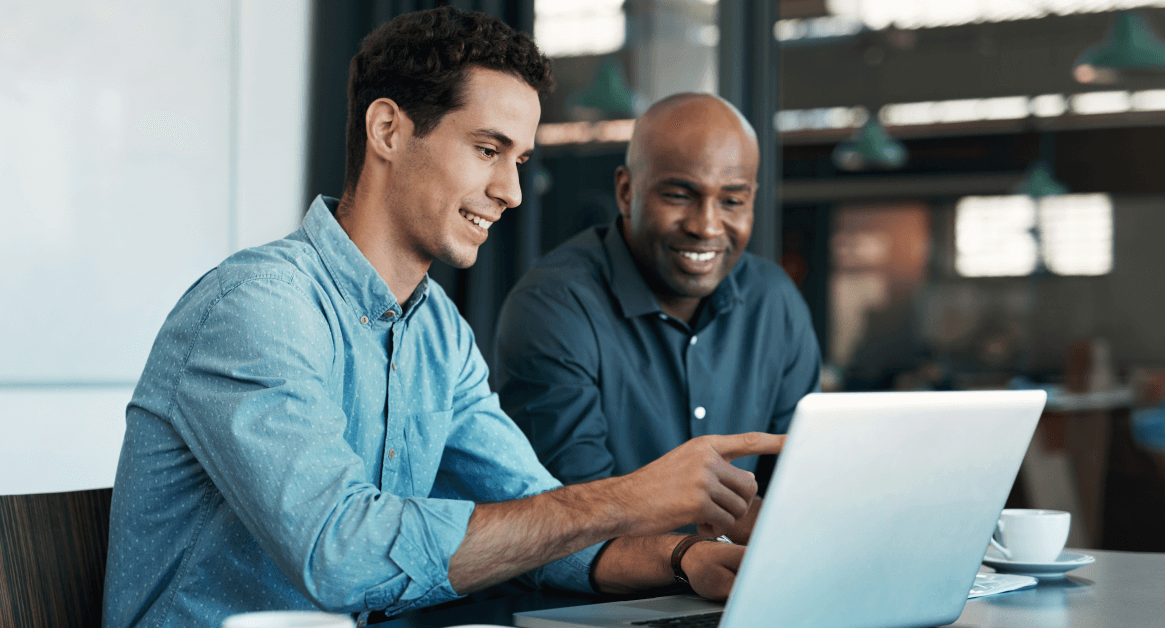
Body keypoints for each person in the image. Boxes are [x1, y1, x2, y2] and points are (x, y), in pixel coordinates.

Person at [101, 10, 783, 628]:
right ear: (389, 131)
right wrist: (627, 499)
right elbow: (341, 554)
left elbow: (538, 524)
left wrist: (685, 557)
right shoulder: (258, 309)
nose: (511, 192)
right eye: (488, 150)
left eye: (519, 161)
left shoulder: (439, 335)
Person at [493, 93, 821, 541]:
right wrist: (702, 556)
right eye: (680, 195)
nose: (706, 226)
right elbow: (575, 516)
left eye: (732, 201)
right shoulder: (554, 305)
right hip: (593, 606)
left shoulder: (774, 301)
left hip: (738, 589)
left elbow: (804, 485)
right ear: (626, 192)